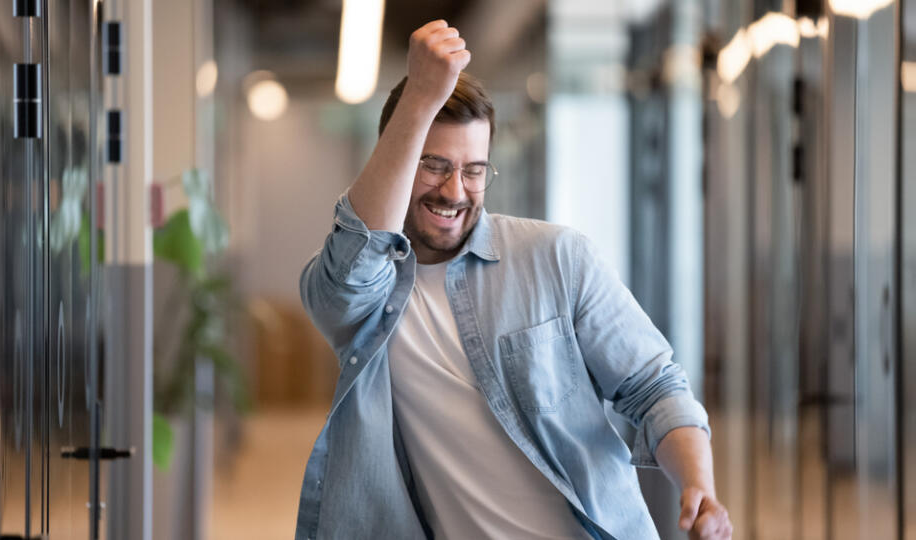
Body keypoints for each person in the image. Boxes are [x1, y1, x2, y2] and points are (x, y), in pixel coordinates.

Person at [296, 19, 732, 540]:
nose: (455, 190)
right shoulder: (365, 296)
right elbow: (352, 269)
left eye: (474, 169)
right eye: (433, 166)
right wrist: (419, 97)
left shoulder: (557, 257)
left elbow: (654, 385)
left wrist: (697, 485)